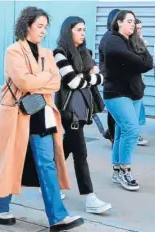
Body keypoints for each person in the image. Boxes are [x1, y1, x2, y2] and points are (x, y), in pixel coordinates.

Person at [0, 6, 84, 232]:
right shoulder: (13, 51)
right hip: (16, 114)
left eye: (45, 27)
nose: (43, 31)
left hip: (42, 113)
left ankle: (58, 217)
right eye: (39, 26)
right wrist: (43, 79)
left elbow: (56, 83)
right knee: (9, 159)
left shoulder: (48, 53)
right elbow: (24, 83)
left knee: (47, 164)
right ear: (26, 26)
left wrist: (39, 80)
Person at [53, 16, 112, 213]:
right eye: (78, 29)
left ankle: (51, 183)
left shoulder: (85, 52)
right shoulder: (59, 53)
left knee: (67, 147)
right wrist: (89, 77)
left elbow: (101, 77)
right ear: (68, 31)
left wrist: (85, 77)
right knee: (81, 153)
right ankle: (90, 198)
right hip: (70, 111)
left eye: (84, 30)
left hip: (83, 109)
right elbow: (72, 82)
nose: (82, 33)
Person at [103, 10, 153, 191]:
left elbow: (148, 63)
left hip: (134, 92)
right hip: (116, 92)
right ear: (119, 23)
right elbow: (139, 62)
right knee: (132, 130)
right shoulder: (113, 41)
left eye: (134, 22)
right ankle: (125, 169)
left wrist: (141, 48)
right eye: (129, 21)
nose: (133, 24)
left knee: (123, 131)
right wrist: (141, 54)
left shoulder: (132, 40)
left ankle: (117, 169)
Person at [99, 8, 119, 145]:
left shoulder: (113, 36)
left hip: (113, 78)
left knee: (115, 111)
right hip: (110, 78)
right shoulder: (109, 38)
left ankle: (110, 133)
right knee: (113, 111)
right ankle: (112, 136)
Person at [135, 18, 149, 146]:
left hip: (140, 81)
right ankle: (135, 134)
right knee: (136, 109)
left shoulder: (141, 41)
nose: (139, 31)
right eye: (137, 28)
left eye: (140, 28)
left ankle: (135, 133)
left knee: (139, 108)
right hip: (132, 83)